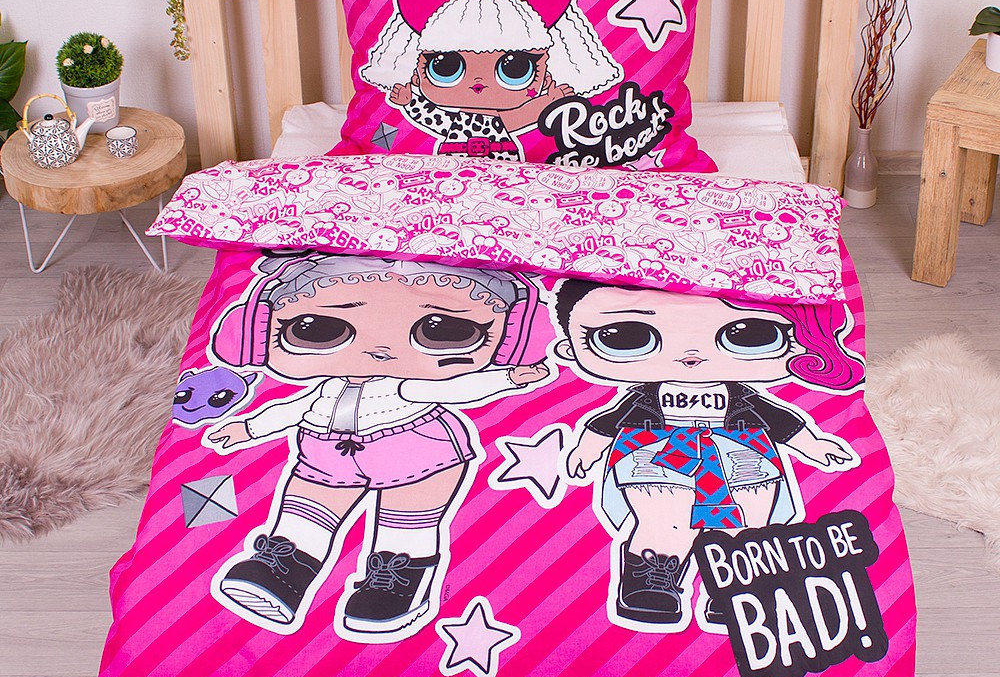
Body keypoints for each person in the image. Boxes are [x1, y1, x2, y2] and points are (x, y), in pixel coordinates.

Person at [207, 254, 549, 642]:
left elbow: (457, 389)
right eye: (318, 329)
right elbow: (293, 408)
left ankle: (396, 585)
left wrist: (509, 378)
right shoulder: (327, 388)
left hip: (417, 447)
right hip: (325, 452)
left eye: (443, 331)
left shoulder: (409, 386)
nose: (379, 350)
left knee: (407, 522)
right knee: (303, 514)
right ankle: (280, 572)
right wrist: (249, 427)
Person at [554, 279, 864, 632]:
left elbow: (778, 420)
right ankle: (652, 575)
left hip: (740, 450)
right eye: (627, 338)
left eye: (749, 336)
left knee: (748, 518)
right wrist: (586, 449)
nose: (691, 355)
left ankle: (735, 582)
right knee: (665, 518)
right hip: (658, 448)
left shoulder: (742, 396)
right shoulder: (646, 396)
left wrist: (813, 444)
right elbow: (611, 420)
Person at [360, 0, 623, 160]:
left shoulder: (500, 119)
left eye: (515, 69)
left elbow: (524, 116)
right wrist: (410, 100)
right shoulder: (453, 120)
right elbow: (430, 116)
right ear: (418, 70)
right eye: (446, 67)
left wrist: (549, 102)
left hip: (509, 163)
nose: (478, 84)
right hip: (448, 163)